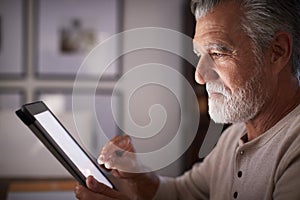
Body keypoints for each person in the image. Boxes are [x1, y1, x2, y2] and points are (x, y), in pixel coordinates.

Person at [75, 0, 300, 199]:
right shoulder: (234, 136)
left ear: (277, 52)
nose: (199, 75)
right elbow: (182, 193)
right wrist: (138, 174)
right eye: (199, 55)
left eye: (218, 53)